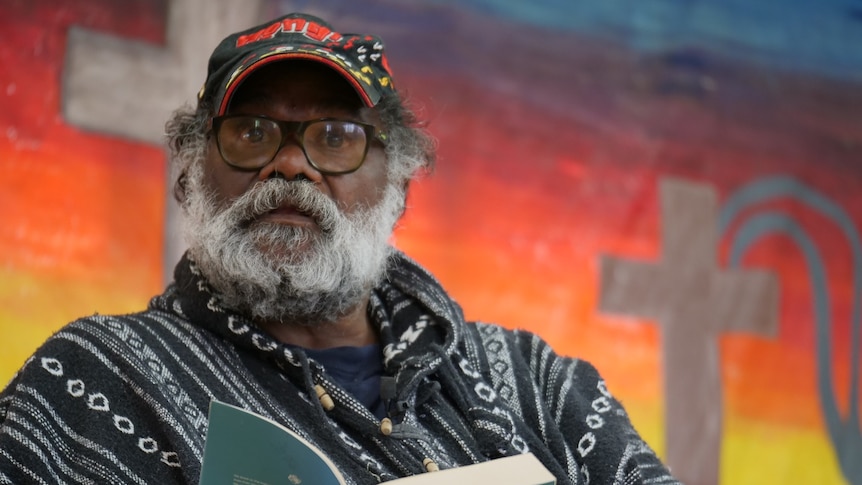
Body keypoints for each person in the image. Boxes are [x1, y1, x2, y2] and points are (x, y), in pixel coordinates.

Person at [0, 12, 679, 485]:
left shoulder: (534, 382)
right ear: (189, 173)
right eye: (252, 132)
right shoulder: (93, 382)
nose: (291, 167)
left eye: (334, 138)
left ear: (400, 183)